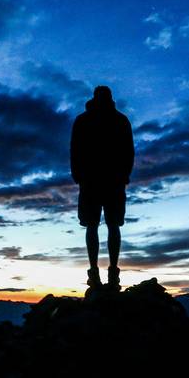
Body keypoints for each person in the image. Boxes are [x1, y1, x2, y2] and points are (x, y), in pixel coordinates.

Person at [70, 85, 135, 292]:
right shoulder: (119, 120)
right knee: (103, 225)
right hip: (100, 181)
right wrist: (78, 174)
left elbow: (128, 151)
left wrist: (124, 174)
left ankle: (105, 274)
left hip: (101, 181)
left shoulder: (87, 120)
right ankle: (101, 274)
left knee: (103, 225)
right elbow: (75, 149)